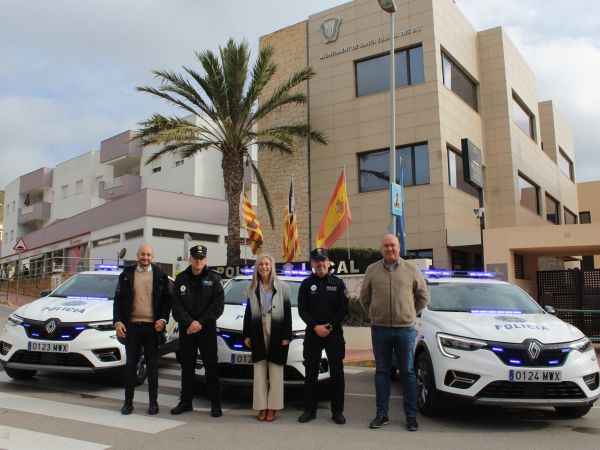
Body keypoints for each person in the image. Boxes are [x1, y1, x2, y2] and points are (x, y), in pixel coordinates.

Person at [360, 234, 429, 432]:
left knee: (407, 371)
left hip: (404, 329)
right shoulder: (372, 270)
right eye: (386, 246)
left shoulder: (411, 269)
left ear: (399, 247)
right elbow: (364, 298)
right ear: (381, 248)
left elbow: (423, 297)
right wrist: (375, 313)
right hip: (379, 329)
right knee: (382, 372)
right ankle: (382, 414)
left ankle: (411, 416)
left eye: (393, 245)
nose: (390, 248)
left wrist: (409, 313)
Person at [113, 244, 171, 415]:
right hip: (132, 327)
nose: (145, 257)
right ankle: (128, 403)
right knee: (130, 366)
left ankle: (153, 403)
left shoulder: (160, 275)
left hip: (152, 329)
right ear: (137, 255)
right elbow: (117, 300)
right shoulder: (126, 275)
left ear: (152, 257)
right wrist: (117, 322)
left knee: (153, 367)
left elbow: (167, 301)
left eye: (148, 255)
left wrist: (162, 319)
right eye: (142, 254)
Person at [170, 244, 224, 417]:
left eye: (202, 258)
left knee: (211, 367)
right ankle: (186, 402)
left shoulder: (214, 278)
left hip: (206, 330)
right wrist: (190, 322)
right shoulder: (181, 279)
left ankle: (215, 403)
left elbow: (217, 306)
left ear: (206, 259)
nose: (199, 261)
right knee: (187, 367)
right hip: (187, 330)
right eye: (196, 258)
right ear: (190, 259)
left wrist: (199, 322)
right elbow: (176, 306)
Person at [297, 248, 349, 425]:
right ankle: (309, 410)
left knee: (337, 373)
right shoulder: (305, 284)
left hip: (334, 334)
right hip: (313, 334)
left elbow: (344, 308)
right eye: (316, 261)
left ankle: (337, 411)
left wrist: (330, 326)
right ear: (312, 264)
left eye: (323, 260)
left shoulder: (338, 283)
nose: (320, 264)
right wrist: (315, 327)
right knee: (310, 373)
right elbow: (302, 310)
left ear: (328, 262)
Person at [242, 254, 292, 422]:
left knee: (276, 370)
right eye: (261, 264)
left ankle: (273, 408)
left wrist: (286, 336)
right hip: (257, 329)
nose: (264, 267)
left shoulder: (283, 287)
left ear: (272, 267)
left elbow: (288, 313)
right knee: (259, 370)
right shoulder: (252, 288)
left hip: (277, 329)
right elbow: (248, 313)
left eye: (267, 264)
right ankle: (261, 407)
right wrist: (246, 334)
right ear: (257, 267)